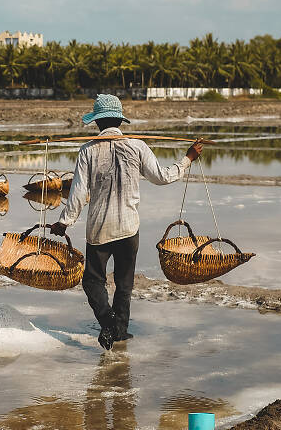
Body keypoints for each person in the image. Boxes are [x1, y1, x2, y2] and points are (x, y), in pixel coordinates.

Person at [50, 94, 203, 351]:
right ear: (120, 121)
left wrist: (63, 223)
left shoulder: (88, 150)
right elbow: (163, 177)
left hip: (99, 229)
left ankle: (109, 324)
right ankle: (118, 332)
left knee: (92, 281)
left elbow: (77, 194)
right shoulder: (138, 146)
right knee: (124, 283)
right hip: (129, 228)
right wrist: (187, 158)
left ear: (98, 123)